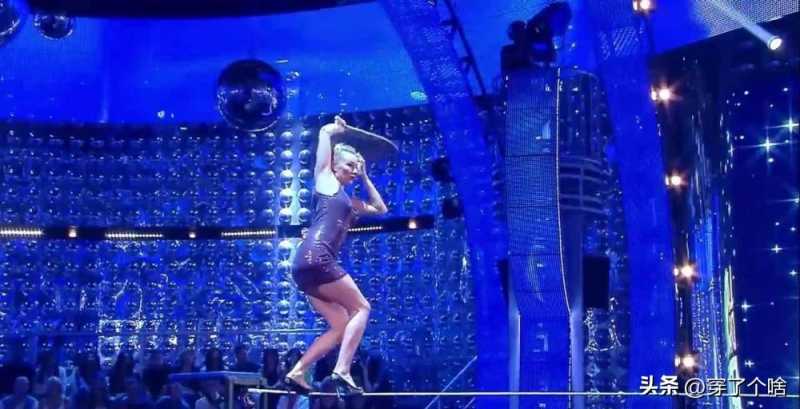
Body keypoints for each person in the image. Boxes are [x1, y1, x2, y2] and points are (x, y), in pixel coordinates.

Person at [285, 116, 388, 396]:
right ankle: (342, 369)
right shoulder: (326, 180)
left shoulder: (346, 200)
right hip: (318, 258)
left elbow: (380, 208)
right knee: (361, 308)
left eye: (356, 167)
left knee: (341, 324)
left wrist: (365, 176)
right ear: (334, 165)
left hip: (305, 267)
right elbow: (324, 132)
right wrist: (336, 130)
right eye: (349, 166)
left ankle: (298, 371)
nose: (353, 171)